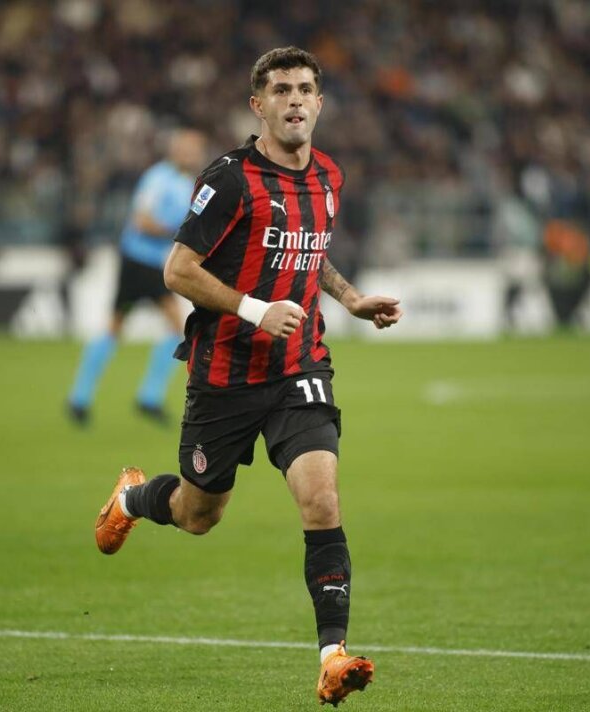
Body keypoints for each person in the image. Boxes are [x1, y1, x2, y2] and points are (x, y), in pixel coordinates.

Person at [93, 47, 402, 706]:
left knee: (322, 500)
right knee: (198, 514)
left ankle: (332, 657)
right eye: (282, 90)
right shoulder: (230, 178)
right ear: (258, 105)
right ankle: (132, 500)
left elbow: (312, 254)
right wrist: (257, 310)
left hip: (299, 367)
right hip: (225, 374)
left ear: (320, 103)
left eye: (306, 89)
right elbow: (178, 269)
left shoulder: (329, 176)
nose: (295, 100)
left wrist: (350, 300)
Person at [67, 128, 208, 425]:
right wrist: (180, 234)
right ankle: (144, 396)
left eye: (195, 150)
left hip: (153, 264)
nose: (191, 154)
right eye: (187, 148)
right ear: (175, 150)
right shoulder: (158, 178)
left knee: (124, 327)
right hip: (138, 261)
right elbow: (141, 220)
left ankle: (83, 398)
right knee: (172, 327)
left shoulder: (188, 183)